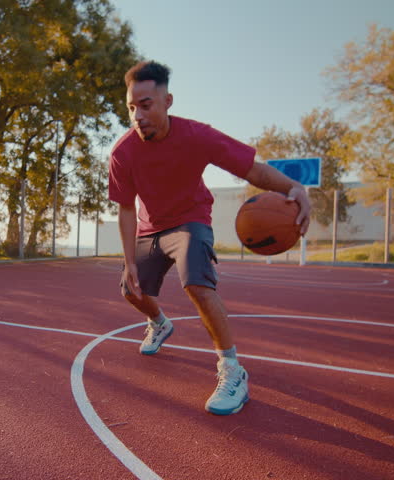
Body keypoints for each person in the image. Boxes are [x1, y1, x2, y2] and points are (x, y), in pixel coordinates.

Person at [108, 60, 311, 415]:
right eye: (130, 107)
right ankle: (159, 323)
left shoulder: (196, 136)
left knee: (198, 285)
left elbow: (252, 169)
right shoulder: (122, 153)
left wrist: (296, 187)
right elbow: (125, 208)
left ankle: (232, 371)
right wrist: (129, 264)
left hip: (190, 221)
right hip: (149, 226)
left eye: (145, 105)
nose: (137, 115)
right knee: (131, 289)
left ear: (168, 101)